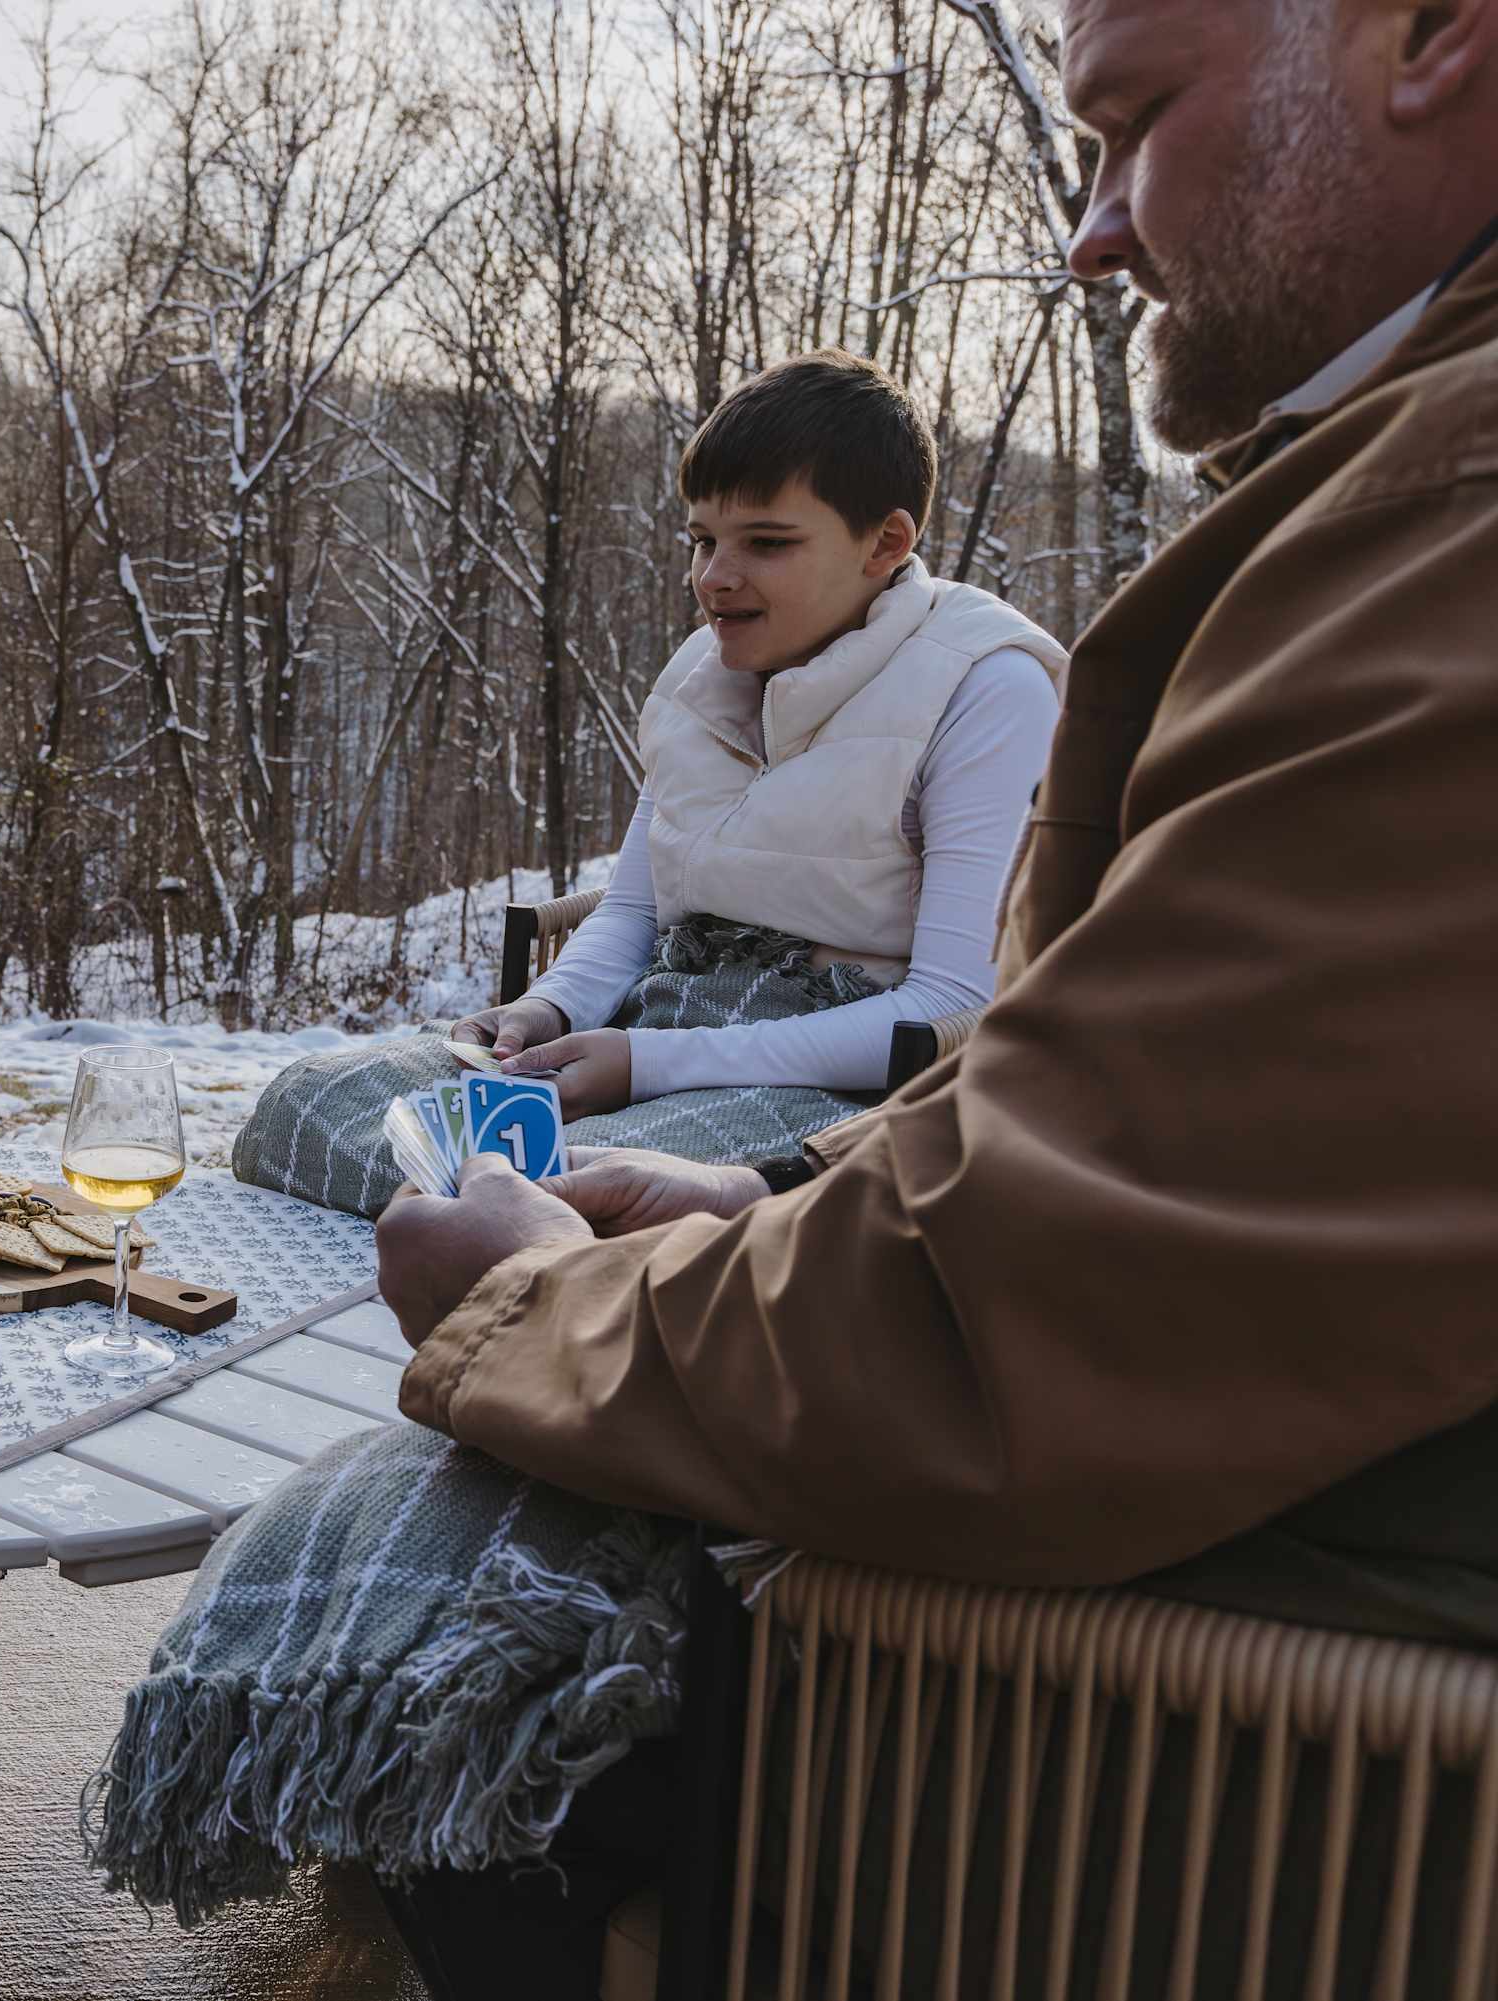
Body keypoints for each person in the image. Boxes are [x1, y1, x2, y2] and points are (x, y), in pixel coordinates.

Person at [376, 0, 1498, 1987]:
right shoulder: (1387, 484)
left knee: (452, 1696)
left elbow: (1047, 1302)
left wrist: (536, 1307)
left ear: (1426, 35)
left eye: (1136, 118)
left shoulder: (1435, 537)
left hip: (1270, 1687)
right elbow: (1166, 1092)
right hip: (1173, 1423)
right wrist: (770, 1180)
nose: (1091, 227)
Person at [455, 351, 1065, 1159]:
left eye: (767, 542)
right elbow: (634, 912)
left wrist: (648, 1065)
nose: (714, 578)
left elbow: (955, 1001)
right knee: (329, 1107)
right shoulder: (701, 676)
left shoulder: (986, 686)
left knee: (551, 1179)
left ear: (885, 543)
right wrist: (549, 1010)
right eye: (702, 540)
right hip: (657, 1025)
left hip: (833, 1086)